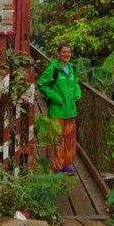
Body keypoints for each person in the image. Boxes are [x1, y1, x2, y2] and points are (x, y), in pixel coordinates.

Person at [37, 42, 82, 175]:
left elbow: (75, 83)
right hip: (57, 110)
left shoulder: (72, 68)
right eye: (64, 52)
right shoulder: (54, 68)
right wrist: (55, 97)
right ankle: (56, 166)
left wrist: (77, 93)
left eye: (68, 52)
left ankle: (66, 164)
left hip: (71, 110)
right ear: (59, 53)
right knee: (56, 139)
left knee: (69, 139)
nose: (66, 54)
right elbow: (41, 84)